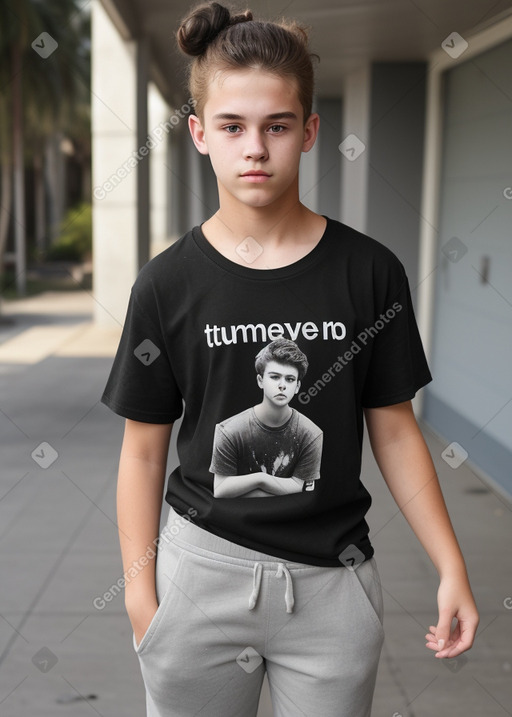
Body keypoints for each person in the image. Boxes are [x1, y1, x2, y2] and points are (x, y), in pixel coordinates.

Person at [101, 2, 479, 715]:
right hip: (198, 579)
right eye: (232, 126)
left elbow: (394, 429)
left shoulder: (369, 272)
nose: (255, 148)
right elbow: (143, 451)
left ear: (308, 132)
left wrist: (450, 562)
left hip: (332, 582)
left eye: (276, 125)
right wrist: (142, 593)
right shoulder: (166, 283)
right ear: (199, 133)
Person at [210, 338, 323, 498]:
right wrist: (260, 479)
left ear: (297, 387)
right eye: (275, 377)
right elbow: (221, 490)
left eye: (290, 379)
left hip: (291, 520)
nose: (282, 385)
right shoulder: (229, 430)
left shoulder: (311, 433)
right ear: (260, 381)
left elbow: (302, 488)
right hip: (239, 520)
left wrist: (254, 485)